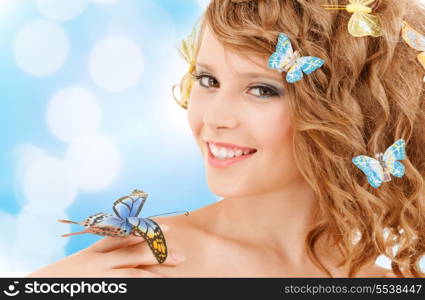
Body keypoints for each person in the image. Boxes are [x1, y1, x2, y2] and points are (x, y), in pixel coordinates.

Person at [27, 0, 425, 278]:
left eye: (263, 90)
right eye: (208, 80)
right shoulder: (144, 265)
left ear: (348, 111)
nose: (214, 118)